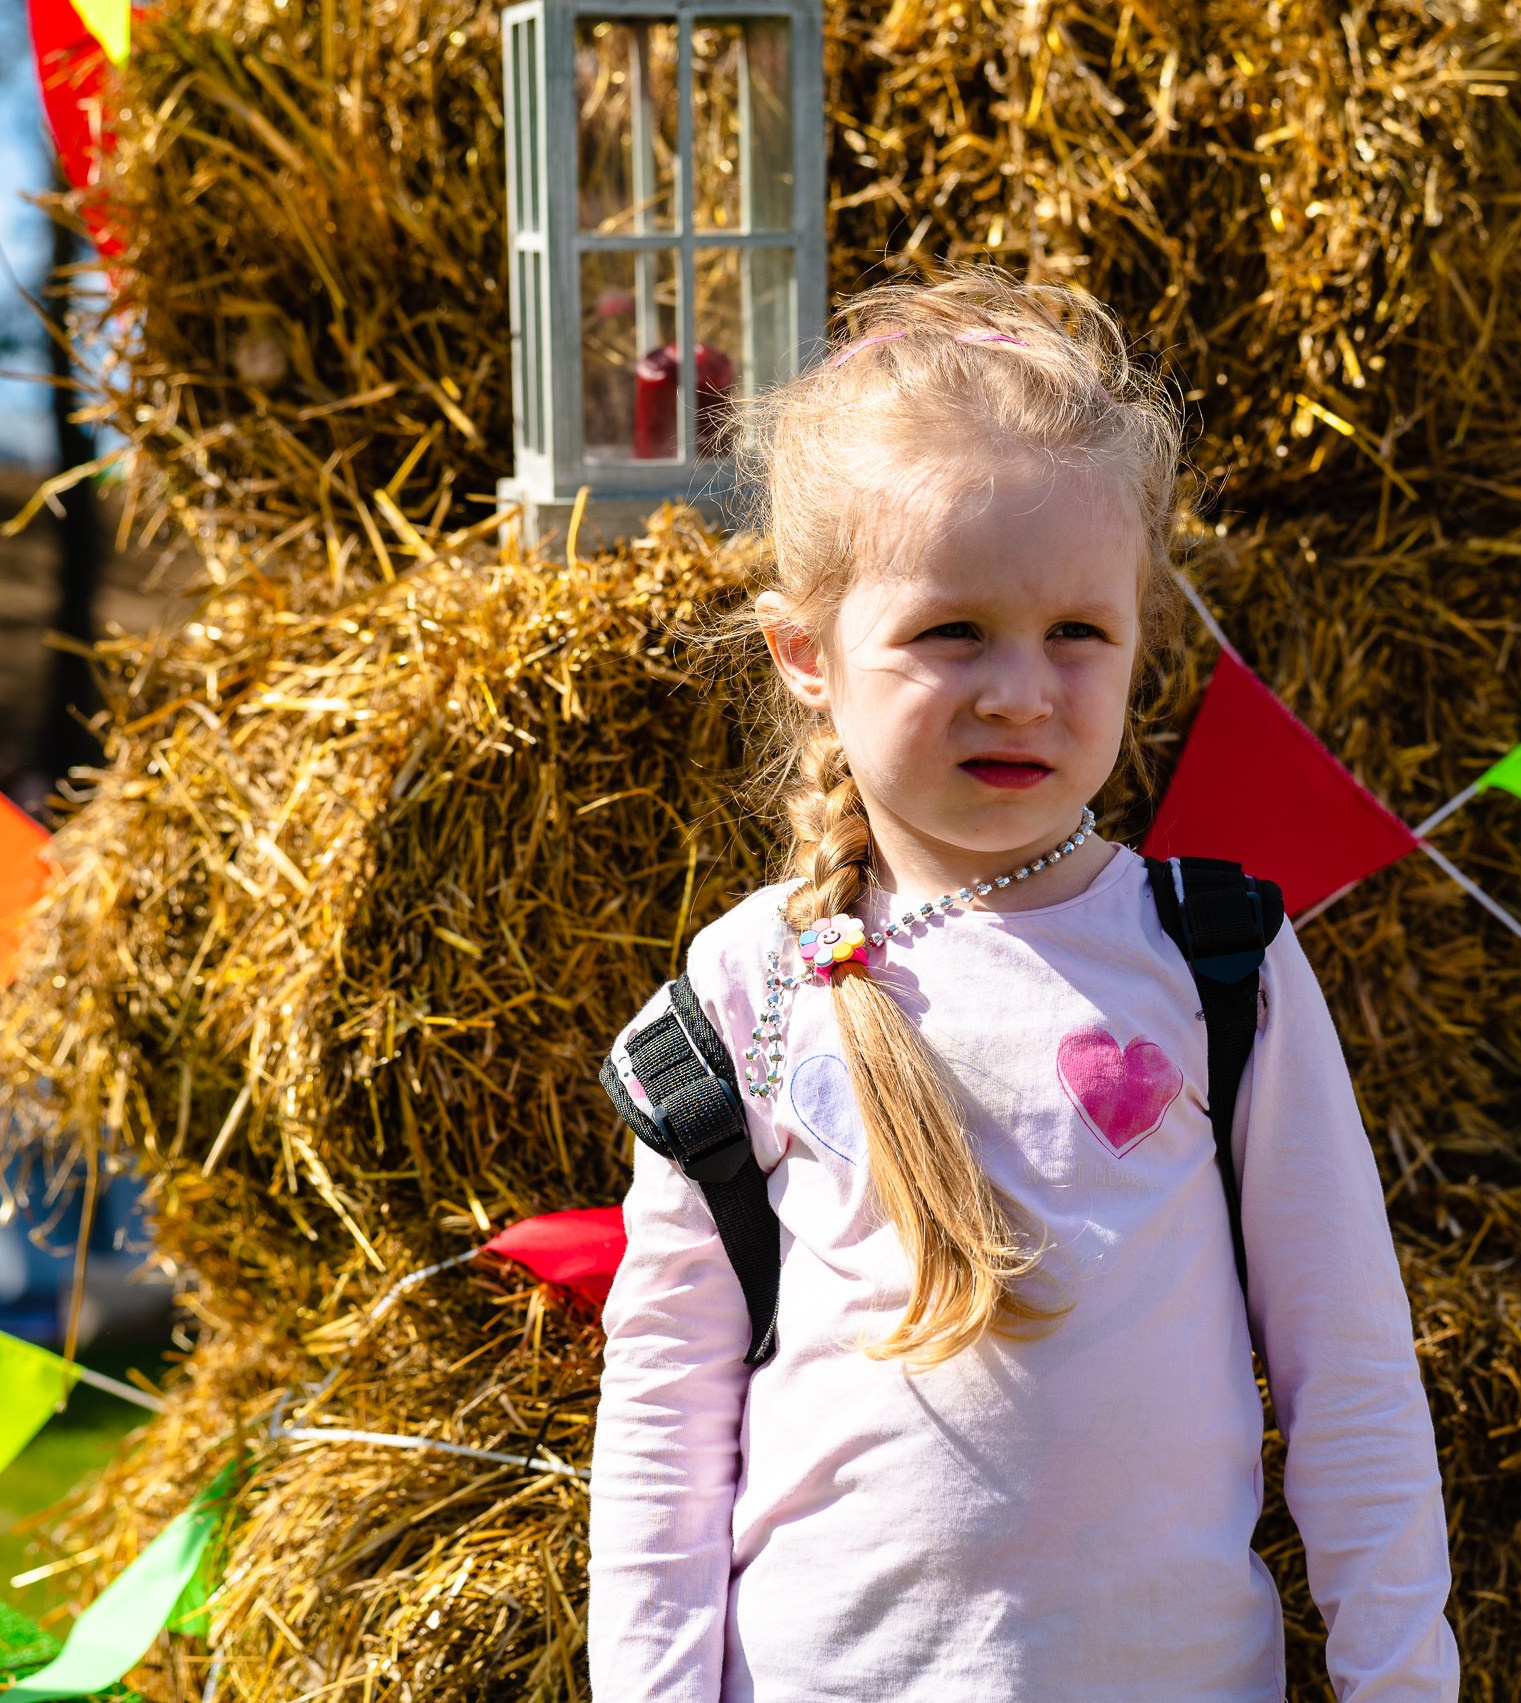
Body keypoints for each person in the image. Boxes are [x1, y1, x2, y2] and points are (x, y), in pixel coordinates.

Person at [587, 276, 1456, 1702]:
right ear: (807, 653)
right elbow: (668, 1403)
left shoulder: (1217, 957)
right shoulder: (749, 981)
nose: (1020, 690)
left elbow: (1350, 1373)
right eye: (952, 632)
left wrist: (1401, 1681)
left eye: (1076, 632)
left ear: (1136, 639)